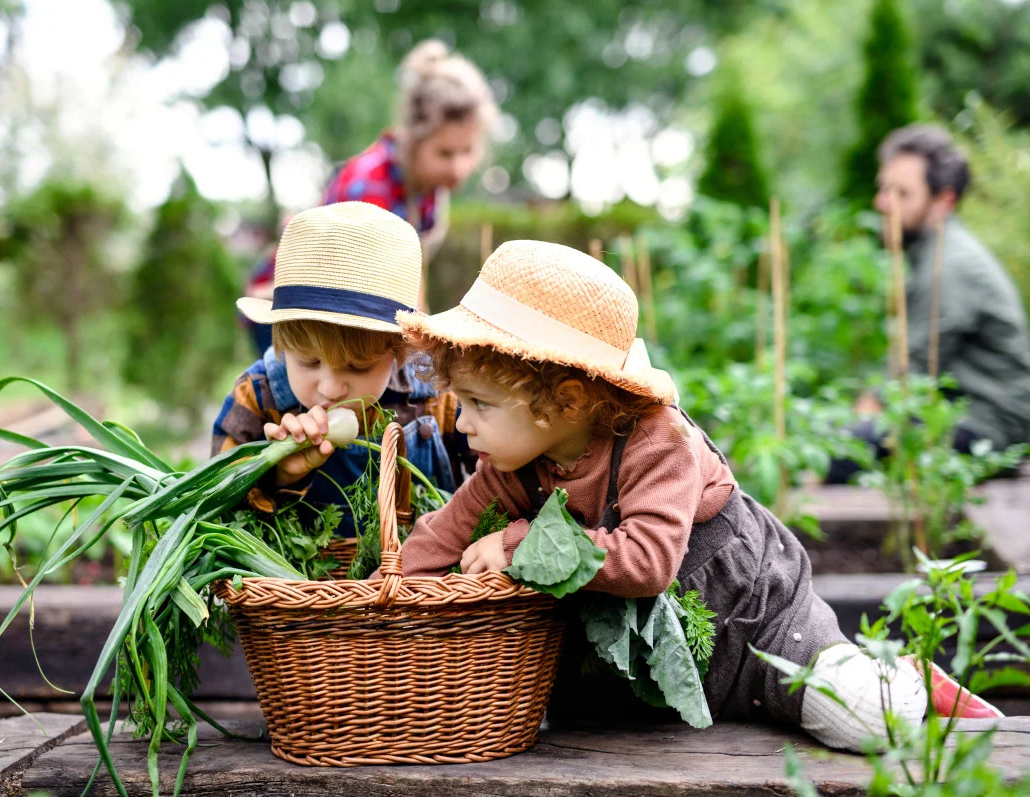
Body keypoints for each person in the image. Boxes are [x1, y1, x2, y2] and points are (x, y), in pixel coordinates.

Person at [394, 240, 999, 751]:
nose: (461, 424)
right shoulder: (510, 460)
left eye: (480, 405)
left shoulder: (659, 441)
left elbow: (650, 561)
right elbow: (441, 534)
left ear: (568, 402)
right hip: (648, 663)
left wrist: (521, 542)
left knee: (863, 718)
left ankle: (904, 679)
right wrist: (384, 604)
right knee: (588, 734)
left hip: (753, 624)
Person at [212, 201, 470, 534]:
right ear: (281, 344)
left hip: (421, 584)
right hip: (301, 586)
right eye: (309, 361)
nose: (331, 388)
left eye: (358, 367)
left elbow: (499, 482)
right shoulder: (257, 398)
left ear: (399, 351)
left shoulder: (438, 395)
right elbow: (216, 510)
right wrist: (279, 473)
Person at [243, 39, 496, 354]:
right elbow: (366, 289)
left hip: (351, 311)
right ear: (415, 139)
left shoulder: (427, 190)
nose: (459, 167)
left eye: (467, 151)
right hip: (289, 309)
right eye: (445, 153)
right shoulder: (370, 186)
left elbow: (411, 273)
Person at [827, 124, 1030, 483]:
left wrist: (846, 435)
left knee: (839, 455)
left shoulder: (949, 266)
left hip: (990, 428)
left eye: (901, 193)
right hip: (963, 414)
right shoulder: (936, 251)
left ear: (943, 201)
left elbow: (910, 373)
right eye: (883, 187)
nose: (882, 203)